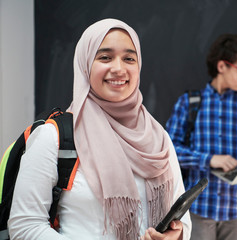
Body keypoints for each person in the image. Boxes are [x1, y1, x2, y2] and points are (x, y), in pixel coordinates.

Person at [8, 19, 191, 240]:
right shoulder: (55, 136)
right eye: (105, 57)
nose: (118, 68)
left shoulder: (157, 137)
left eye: (129, 58)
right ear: (85, 64)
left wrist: (176, 235)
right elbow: (24, 225)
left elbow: (183, 221)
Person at [166, 34, 237, 240]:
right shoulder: (189, 103)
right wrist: (209, 159)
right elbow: (168, 152)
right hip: (199, 209)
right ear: (222, 66)